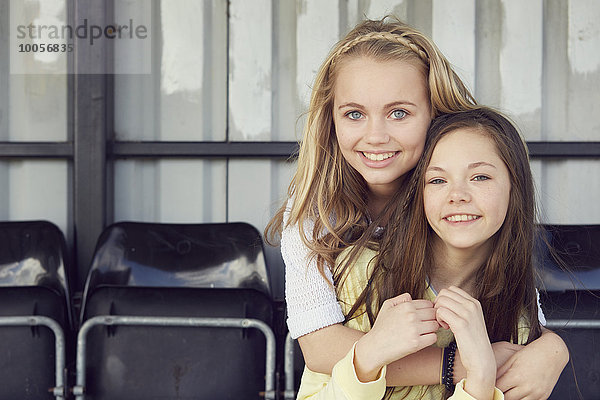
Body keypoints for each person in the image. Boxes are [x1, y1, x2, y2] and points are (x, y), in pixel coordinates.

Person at [265, 16, 568, 397]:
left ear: (435, 114)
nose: (376, 136)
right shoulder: (315, 210)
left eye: (399, 113)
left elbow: (521, 308)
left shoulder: (449, 191)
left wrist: (554, 350)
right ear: (331, 119)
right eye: (354, 114)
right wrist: (464, 363)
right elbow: (320, 348)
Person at [296, 107, 562, 399]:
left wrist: (481, 377)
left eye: (480, 177)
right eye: (437, 180)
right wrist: (368, 357)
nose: (457, 194)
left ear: (515, 188)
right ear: (417, 194)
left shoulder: (518, 317)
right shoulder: (362, 272)